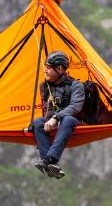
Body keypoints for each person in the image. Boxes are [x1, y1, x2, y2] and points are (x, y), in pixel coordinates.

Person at [32, 51, 85, 179]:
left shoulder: (76, 86)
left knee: (67, 119)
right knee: (37, 123)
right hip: (56, 124)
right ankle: (51, 165)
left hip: (75, 123)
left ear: (60, 69)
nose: (45, 71)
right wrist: (49, 119)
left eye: (49, 68)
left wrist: (56, 118)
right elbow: (46, 111)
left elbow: (75, 107)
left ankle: (47, 160)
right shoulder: (44, 86)